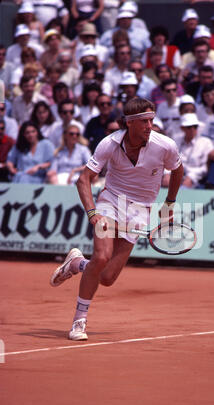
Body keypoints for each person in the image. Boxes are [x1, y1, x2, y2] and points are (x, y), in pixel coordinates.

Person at [49, 97, 184, 341]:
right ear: (129, 124)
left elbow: (177, 169)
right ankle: (79, 321)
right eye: (144, 121)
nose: (150, 126)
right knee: (101, 257)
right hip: (111, 201)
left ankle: (76, 263)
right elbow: (83, 179)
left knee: (107, 277)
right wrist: (93, 213)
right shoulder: (109, 144)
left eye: (151, 120)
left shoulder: (165, 145)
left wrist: (169, 203)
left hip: (140, 210)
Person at [174, 112, 213, 188]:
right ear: (182, 128)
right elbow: (168, 161)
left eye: (195, 127)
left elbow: (205, 167)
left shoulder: (206, 142)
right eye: (189, 127)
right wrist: (167, 174)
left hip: (196, 181)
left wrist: (191, 177)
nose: (192, 129)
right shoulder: (176, 141)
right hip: (175, 176)